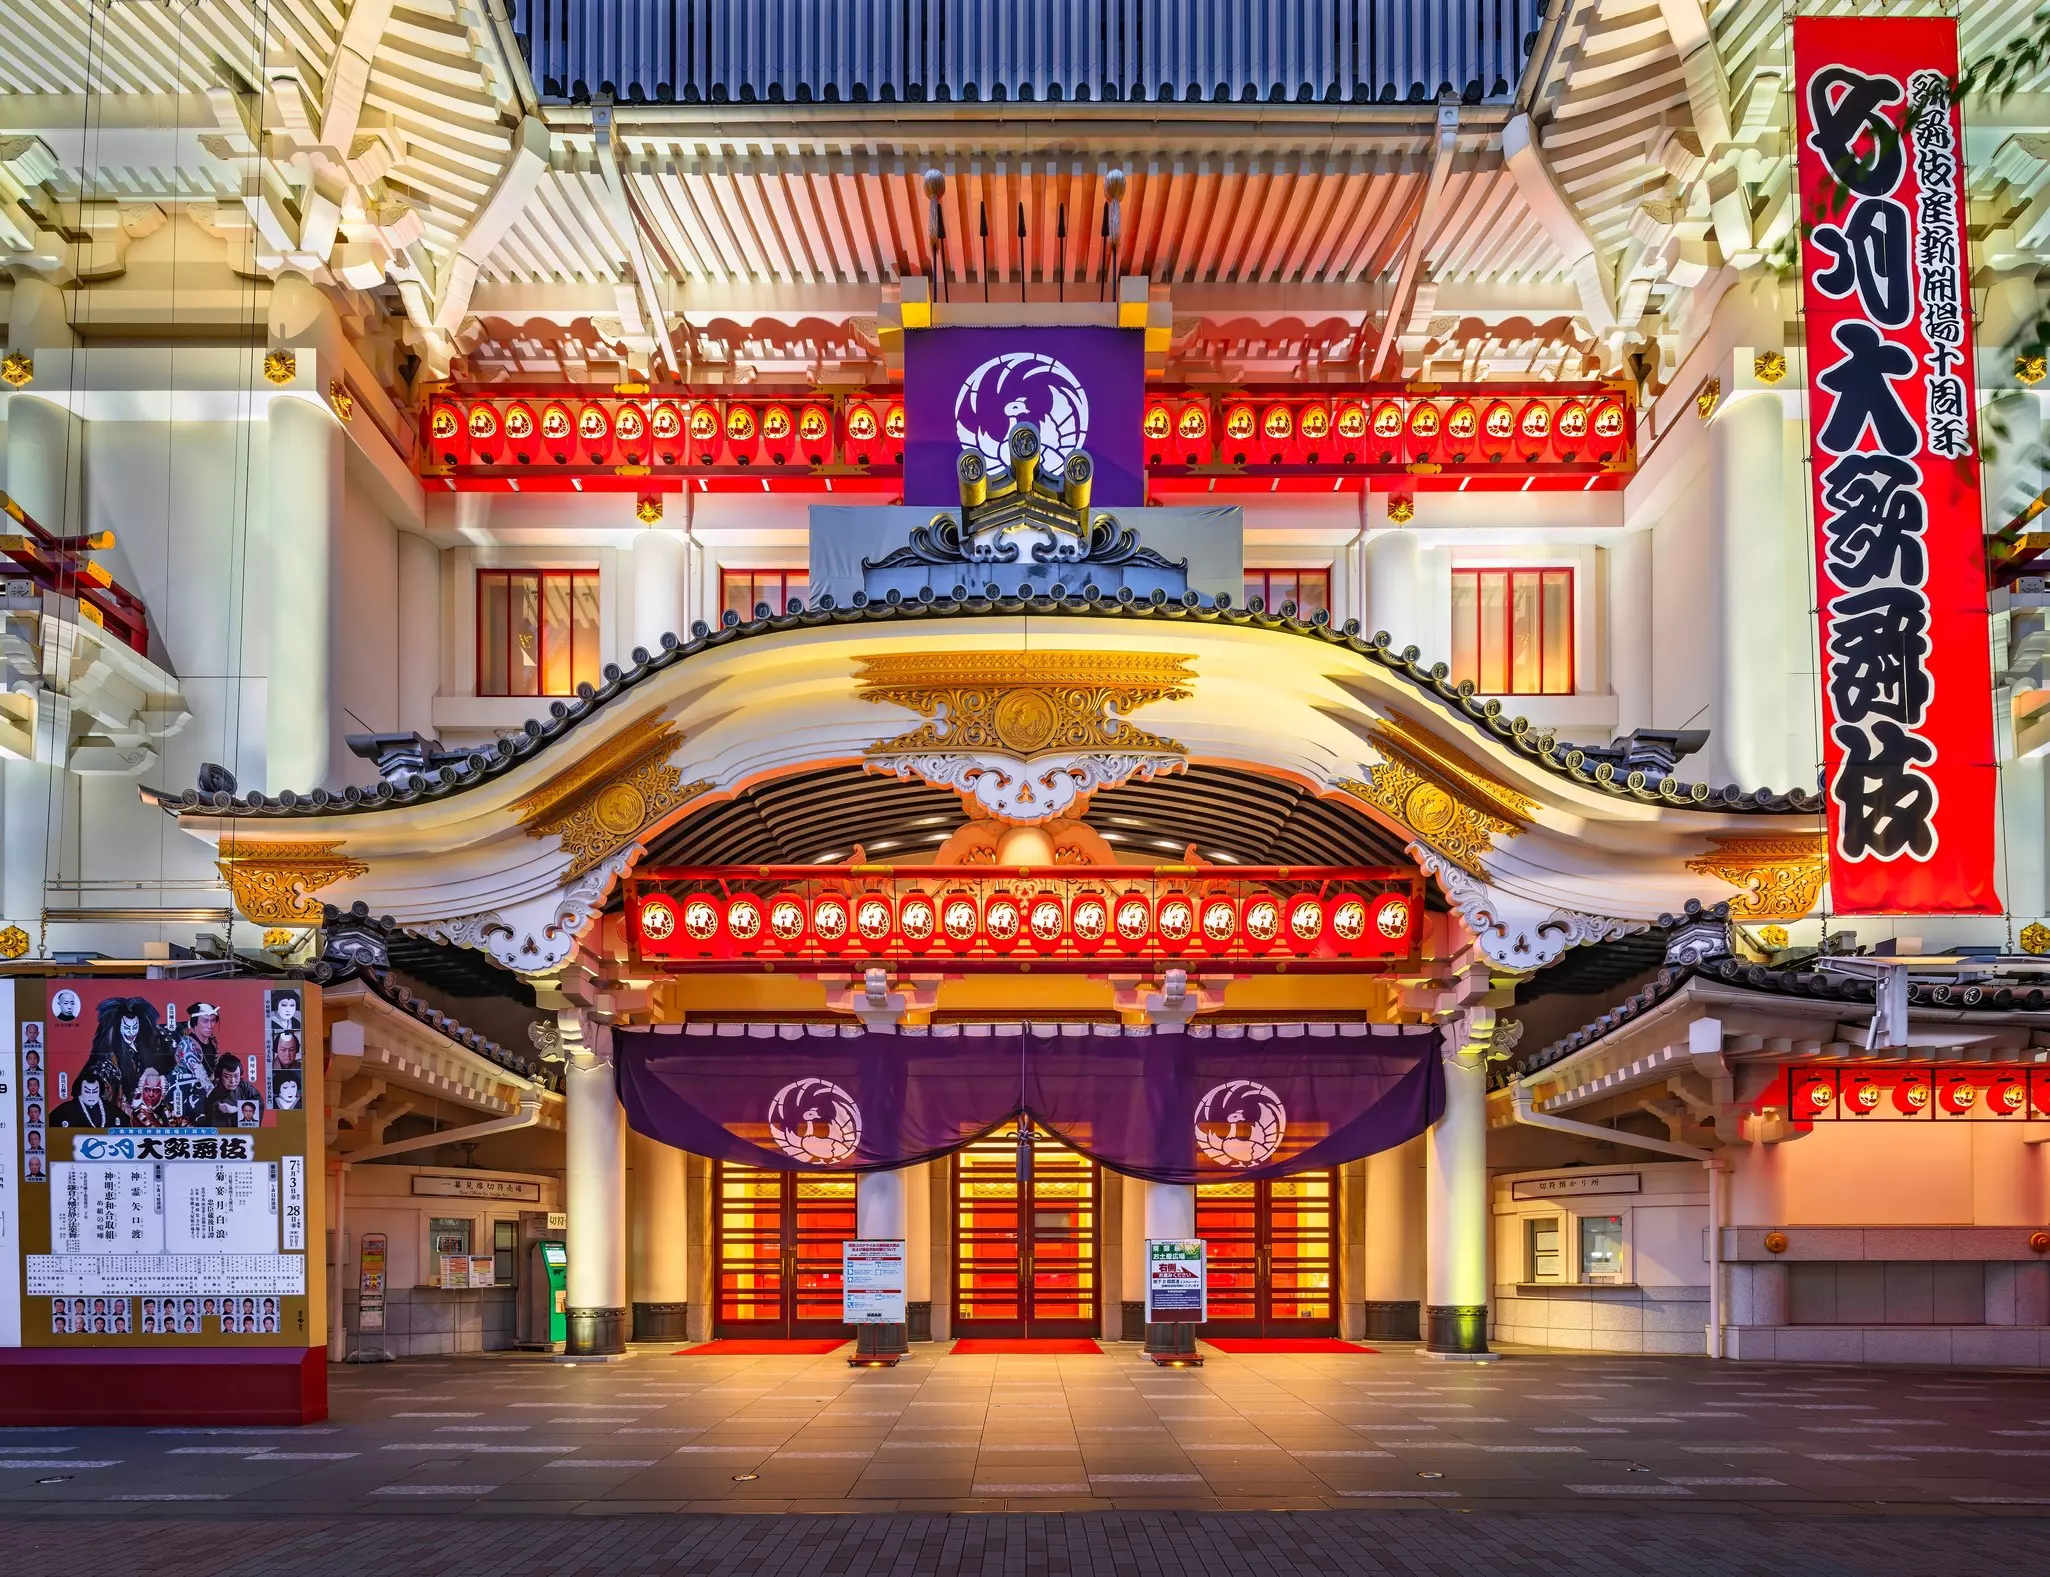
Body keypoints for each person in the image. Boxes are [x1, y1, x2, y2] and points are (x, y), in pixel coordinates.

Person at [90, 996, 171, 1098]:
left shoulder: (147, 1045)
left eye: (135, 1027)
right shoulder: (109, 1058)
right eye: (127, 1028)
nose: (131, 1032)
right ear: (118, 1027)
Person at [206, 1059, 260, 1128]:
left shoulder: (244, 1085)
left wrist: (237, 1109)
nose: (232, 1081)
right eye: (227, 1077)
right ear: (220, 1076)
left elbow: (258, 1102)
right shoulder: (215, 1097)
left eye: (236, 1076)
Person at [50, 1072, 115, 1129]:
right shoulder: (65, 1110)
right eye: (87, 1091)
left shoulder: (110, 1109)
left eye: (95, 1091)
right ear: (80, 1091)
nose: (91, 1095)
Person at [178, 1003, 224, 1081]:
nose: (210, 1026)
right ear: (194, 1022)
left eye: (213, 1021)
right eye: (205, 1021)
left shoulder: (213, 1040)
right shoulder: (187, 1046)